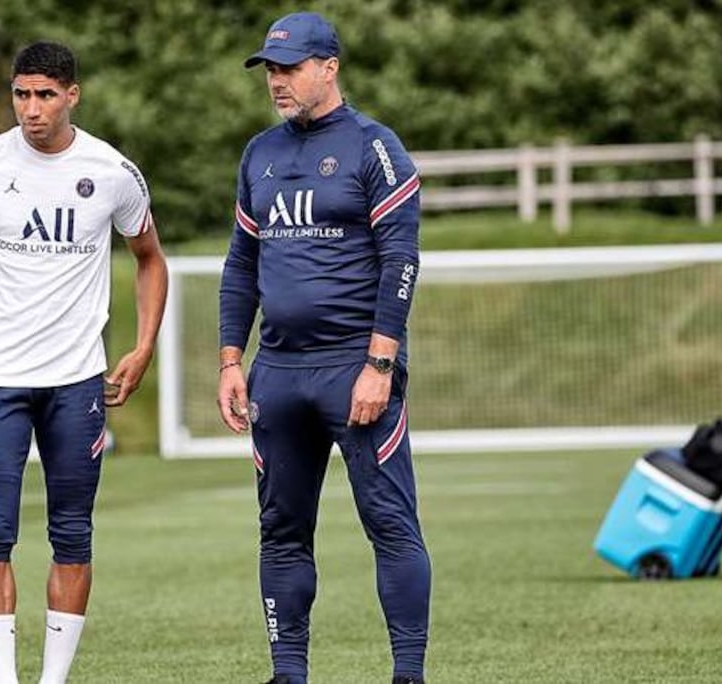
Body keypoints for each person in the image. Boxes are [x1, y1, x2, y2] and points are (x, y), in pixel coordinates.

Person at [0, 42, 168, 683]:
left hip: (76, 383)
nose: (31, 109)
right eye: (21, 94)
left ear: (72, 95)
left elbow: (150, 258)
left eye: (46, 95)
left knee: (73, 535)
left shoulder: (114, 172)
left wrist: (142, 347)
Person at [217, 12, 431, 684]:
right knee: (280, 532)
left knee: (389, 524)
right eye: (271, 70)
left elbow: (401, 258)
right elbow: (240, 265)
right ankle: (288, 674)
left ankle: (408, 673)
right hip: (276, 375)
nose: (277, 81)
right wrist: (230, 360)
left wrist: (379, 362)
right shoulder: (259, 153)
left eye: (291, 68)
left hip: (354, 371)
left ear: (329, 68)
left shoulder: (375, 147)